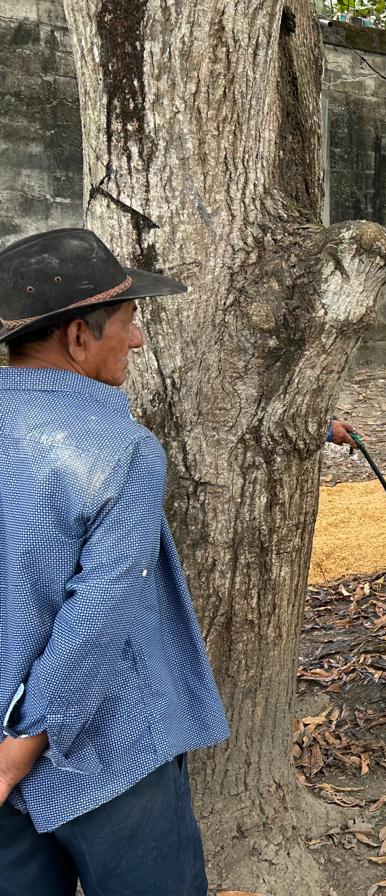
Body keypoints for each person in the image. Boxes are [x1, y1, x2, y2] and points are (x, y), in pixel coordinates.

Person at [0, 229, 228, 895]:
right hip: (110, 753)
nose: (138, 340)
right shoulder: (124, 449)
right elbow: (98, 613)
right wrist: (21, 750)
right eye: (129, 320)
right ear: (79, 336)